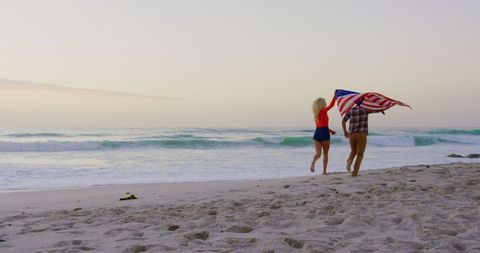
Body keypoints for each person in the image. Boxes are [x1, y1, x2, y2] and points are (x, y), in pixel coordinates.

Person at [342, 104, 384, 176]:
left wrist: (345, 132)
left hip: (352, 134)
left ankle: (349, 161)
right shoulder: (365, 109)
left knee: (353, 151)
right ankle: (355, 172)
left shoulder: (351, 110)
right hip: (361, 134)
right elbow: (374, 109)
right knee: (360, 154)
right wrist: (381, 109)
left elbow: (343, 120)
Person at [310, 94, 336, 175]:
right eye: (324, 102)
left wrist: (330, 131)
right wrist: (335, 96)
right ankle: (324, 171)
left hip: (317, 133)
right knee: (325, 154)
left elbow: (320, 125)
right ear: (322, 103)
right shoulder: (324, 110)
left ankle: (313, 162)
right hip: (324, 133)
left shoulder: (316, 115)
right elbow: (331, 105)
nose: (326, 103)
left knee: (318, 154)